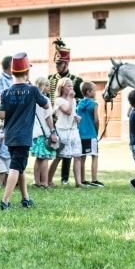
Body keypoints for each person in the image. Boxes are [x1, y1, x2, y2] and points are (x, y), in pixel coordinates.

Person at [0, 53, 51, 210]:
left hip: (10, 134)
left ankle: (25, 198)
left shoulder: (6, 92)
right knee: (15, 166)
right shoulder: (33, 90)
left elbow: (1, 115)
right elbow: (47, 105)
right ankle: (5, 201)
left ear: (12, 72)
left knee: (19, 165)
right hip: (23, 135)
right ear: (27, 72)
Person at [47, 38, 83, 185]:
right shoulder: (50, 79)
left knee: (73, 153)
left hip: (70, 120)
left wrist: (75, 112)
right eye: (56, 63)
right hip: (56, 119)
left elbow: (80, 99)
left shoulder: (76, 80)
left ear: (66, 63)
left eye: (60, 63)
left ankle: (66, 178)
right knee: (58, 153)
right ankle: (48, 179)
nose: (57, 66)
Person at [47, 78, 82, 187]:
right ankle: (48, 180)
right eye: (68, 86)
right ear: (62, 88)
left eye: (72, 86)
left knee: (77, 156)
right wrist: (70, 98)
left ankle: (78, 182)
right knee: (59, 156)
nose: (71, 88)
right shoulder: (59, 100)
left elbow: (72, 113)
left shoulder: (73, 100)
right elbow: (67, 111)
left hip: (73, 130)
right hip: (63, 131)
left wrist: (76, 118)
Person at [30, 77, 55, 188]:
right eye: (46, 85)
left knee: (38, 158)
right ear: (40, 86)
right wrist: (52, 131)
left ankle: (37, 181)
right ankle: (44, 182)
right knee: (45, 157)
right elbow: (48, 117)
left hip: (34, 132)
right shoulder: (45, 100)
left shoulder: (32, 100)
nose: (49, 87)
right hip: (44, 131)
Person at [76, 81, 102, 187]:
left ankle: (82, 179)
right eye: (94, 90)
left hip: (81, 134)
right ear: (88, 92)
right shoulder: (94, 104)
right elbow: (96, 120)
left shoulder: (79, 103)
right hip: (91, 134)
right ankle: (94, 180)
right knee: (94, 156)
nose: (96, 92)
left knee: (82, 157)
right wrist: (97, 131)